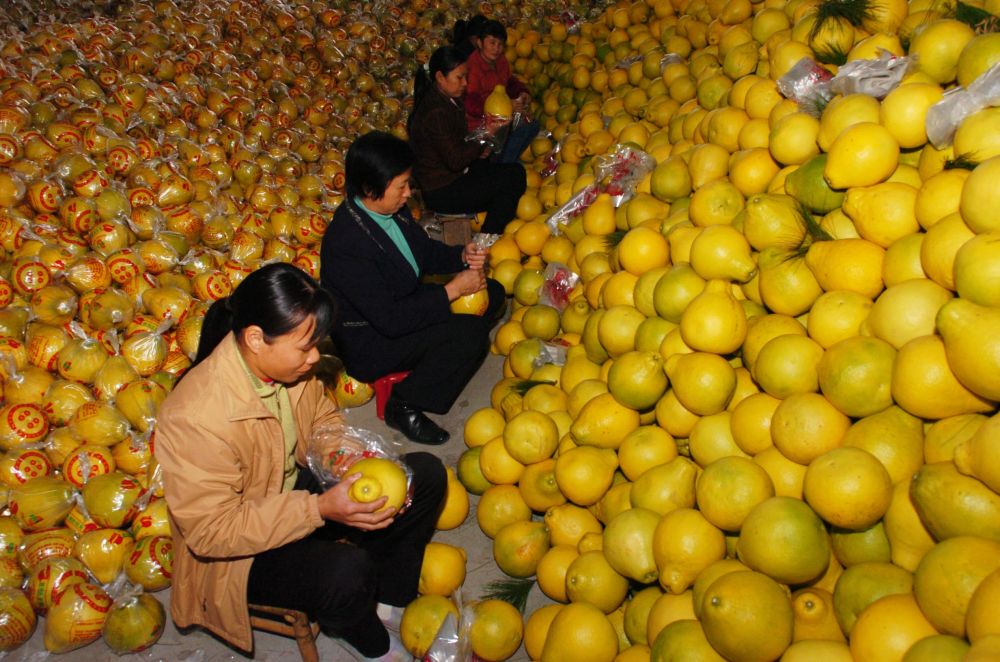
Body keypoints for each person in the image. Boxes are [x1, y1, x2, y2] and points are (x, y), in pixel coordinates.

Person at [154, 263, 446, 662]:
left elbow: (323, 421)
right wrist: (318, 509)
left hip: (287, 490)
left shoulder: (290, 370)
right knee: (346, 571)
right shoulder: (193, 416)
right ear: (256, 339)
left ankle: (385, 601)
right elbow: (212, 532)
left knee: (424, 475)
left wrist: (340, 457)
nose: (314, 357)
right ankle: (367, 639)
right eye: (305, 347)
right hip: (237, 553)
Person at [320, 131, 506, 445]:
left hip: (403, 304)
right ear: (370, 188)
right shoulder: (346, 245)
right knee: (471, 335)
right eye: (401, 186)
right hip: (374, 340)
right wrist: (452, 291)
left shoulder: (392, 211)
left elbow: (422, 251)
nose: (409, 193)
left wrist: (460, 255)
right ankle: (403, 404)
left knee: (494, 292)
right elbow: (390, 319)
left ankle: (437, 359)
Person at [408, 45, 526, 235]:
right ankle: (487, 238)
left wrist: (481, 141)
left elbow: (456, 144)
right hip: (441, 190)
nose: (465, 83)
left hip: (453, 175)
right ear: (440, 77)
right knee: (513, 178)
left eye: (466, 76)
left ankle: (490, 227)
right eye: (459, 77)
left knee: (506, 170)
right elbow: (455, 160)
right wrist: (484, 135)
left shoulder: (448, 99)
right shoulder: (435, 112)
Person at [463, 19, 540, 164]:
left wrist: (522, 92)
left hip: (503, 120)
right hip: (481, 124)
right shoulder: (473, 67)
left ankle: (505, 160)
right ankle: (502, 163)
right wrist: (507, 106)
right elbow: (471, 104)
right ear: (480, 43)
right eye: (492, 43)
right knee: (506, 144)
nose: (496, 48)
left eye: (500, 44)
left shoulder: (501, 61)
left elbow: (509, 82)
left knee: (532, 125)